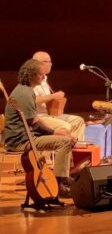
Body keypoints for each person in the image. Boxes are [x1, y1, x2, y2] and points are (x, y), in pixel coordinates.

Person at [3, 59, 76, 197]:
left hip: (28, 137)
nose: (43, 77)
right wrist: (55, 132)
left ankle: (63, 178)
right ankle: (59, 184)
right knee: (64, 141)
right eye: (40, 75)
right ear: (31, 75)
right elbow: (34, 124)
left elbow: (34, 122)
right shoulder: (25, 93)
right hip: (21, 142)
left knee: (64, 134)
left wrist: (58, 132)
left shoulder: (24, 90)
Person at [32, 51, 85, 141]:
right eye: (48, 62)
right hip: (39, 117)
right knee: (65, 126)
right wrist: (53, 96)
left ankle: (77, 151)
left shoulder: (44, 78)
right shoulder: (32, 79)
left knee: (78, 121)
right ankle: (62, 152)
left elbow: (47, 99)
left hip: (50, 115)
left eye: (50, 62)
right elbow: (33, 100)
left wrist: (56, 98)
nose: (51, 64)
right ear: (38, 63)